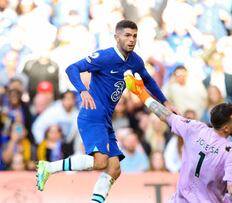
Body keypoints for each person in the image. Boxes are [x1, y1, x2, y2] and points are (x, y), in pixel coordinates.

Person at [36, 20, 172, 203]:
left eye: (134, 36)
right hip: (92, 115)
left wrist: (164, 101)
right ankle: (49, 167)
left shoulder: (135, 61)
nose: (131, 40)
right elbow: (72, 68)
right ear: (116, 37)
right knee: (101, 162)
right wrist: (83, 91)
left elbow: (148, 80)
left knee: (114, 168)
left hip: (106, 119)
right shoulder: (104, 57)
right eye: (127, 35)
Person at [123, 71, 232, 203]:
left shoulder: (195, 128)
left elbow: (164, 114)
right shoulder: (231, 149)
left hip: (179, 200)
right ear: (225, 127)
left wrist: (141, 93)